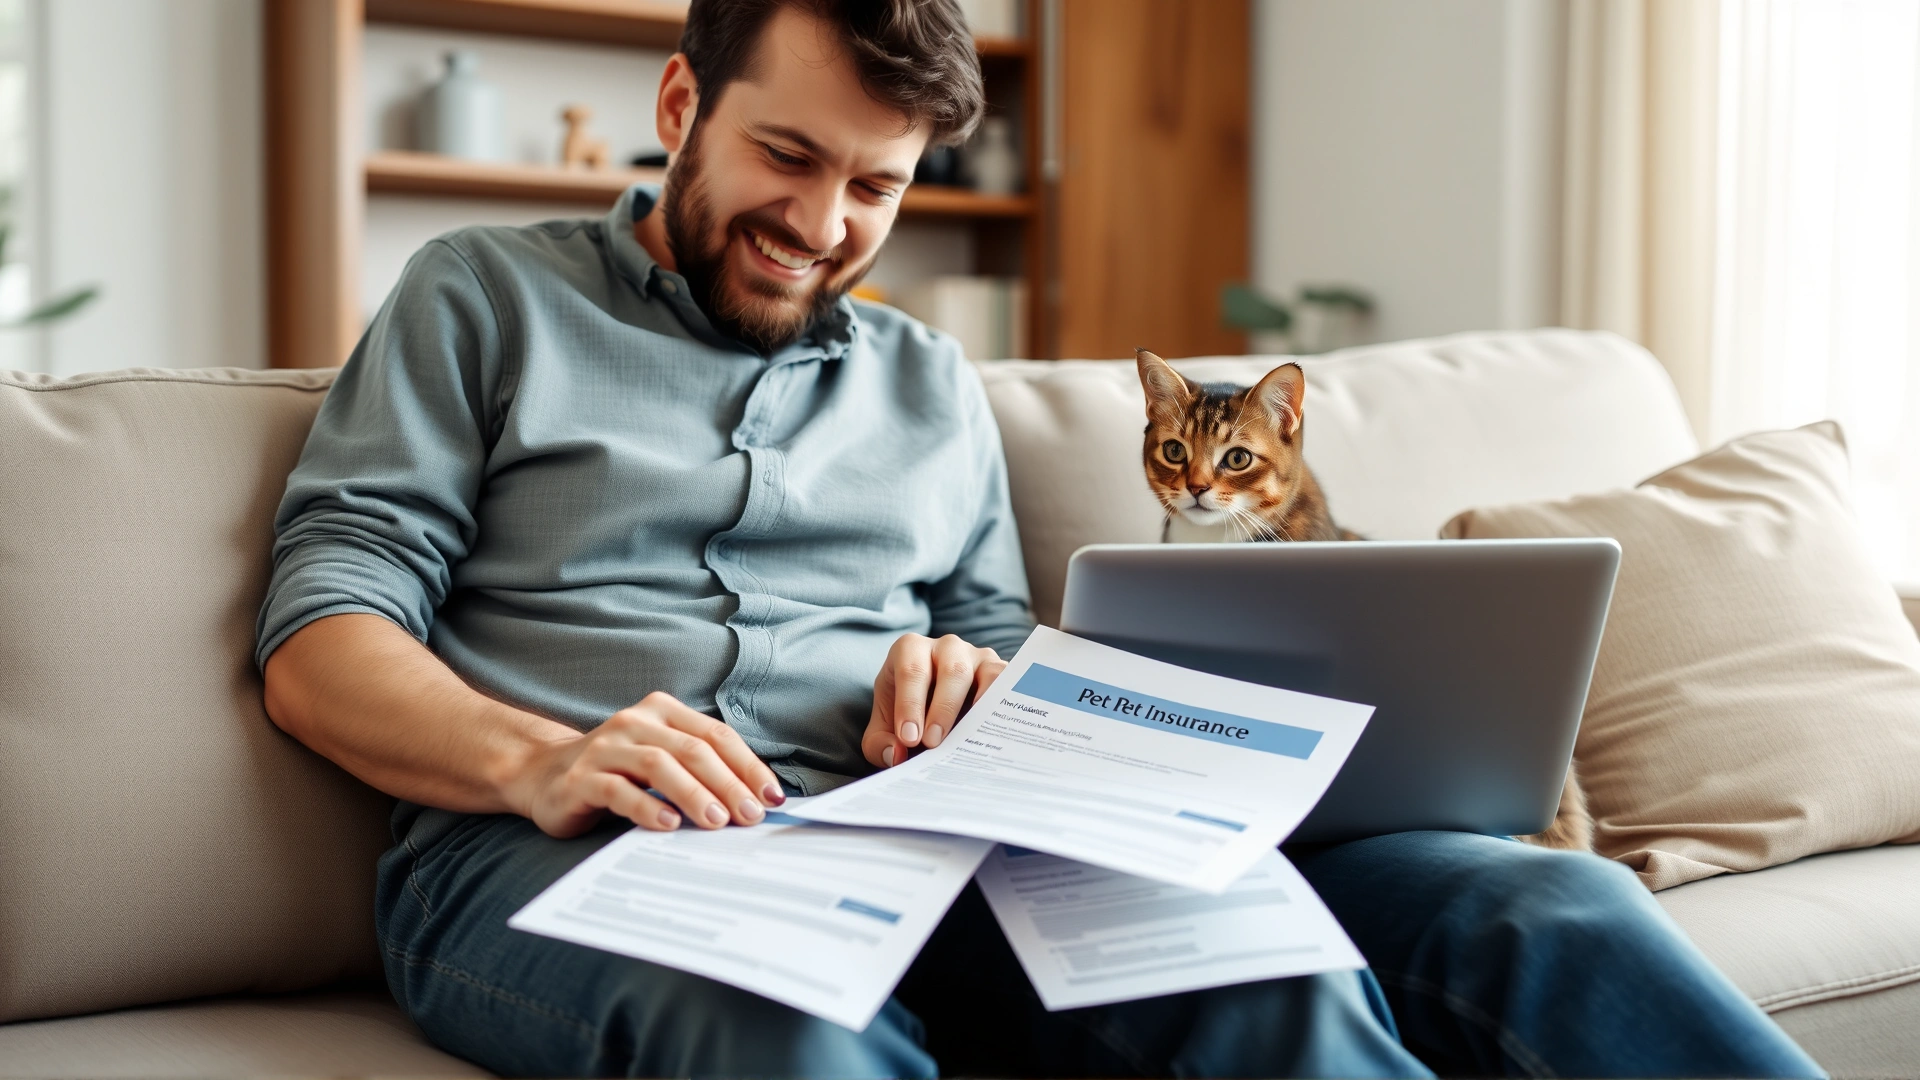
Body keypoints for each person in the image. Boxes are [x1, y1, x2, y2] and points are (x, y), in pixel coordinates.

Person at [255, 0, 1825, 1076]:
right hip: (555, 858)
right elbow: (321, 635)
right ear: (682, 104)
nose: (822, 228)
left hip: (927, 846)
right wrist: (535, 755)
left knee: (1279, 966)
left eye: (875, 186)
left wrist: (983, 688)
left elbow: (1001, 641)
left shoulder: (930, 383)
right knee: (794, 1036)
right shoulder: (483, 296)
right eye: (786, 159)